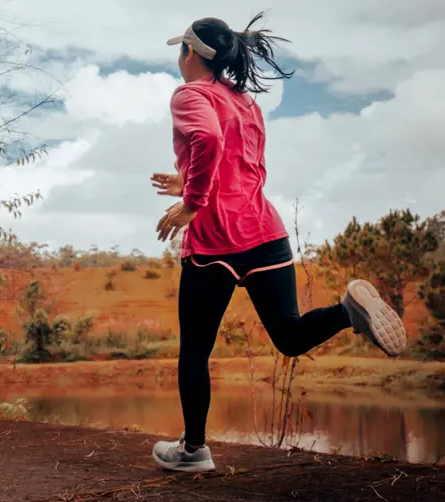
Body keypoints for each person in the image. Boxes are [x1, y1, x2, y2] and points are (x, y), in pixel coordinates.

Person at [149, 13, 407, 473]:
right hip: (265, 232)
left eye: (180, 50)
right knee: (288, 335)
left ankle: (194, 451)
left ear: (190, 52)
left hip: (215, 242)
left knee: (195, 349)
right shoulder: (245, 102)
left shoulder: (189, 94)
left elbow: (207, 138)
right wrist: (186, 178)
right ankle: (347, 312)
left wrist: (192, 200)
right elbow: (238, 162)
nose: (178, 59)